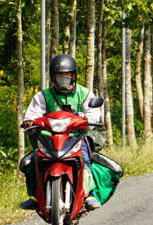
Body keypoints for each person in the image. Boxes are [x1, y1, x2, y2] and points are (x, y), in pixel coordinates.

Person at [19, 53, 103, 211]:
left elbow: (93, 115)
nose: (63, 78)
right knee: (32, 161)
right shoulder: (43, 96)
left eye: (66, 75)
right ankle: (35, 195)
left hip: (75, 139)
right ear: (52, 77)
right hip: (48, 140)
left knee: (85, 158)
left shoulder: (85, 94)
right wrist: (29, 122)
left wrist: (87, 120)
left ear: (73, 75)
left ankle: (89, 194)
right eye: (59, 75)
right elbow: (32, 114)